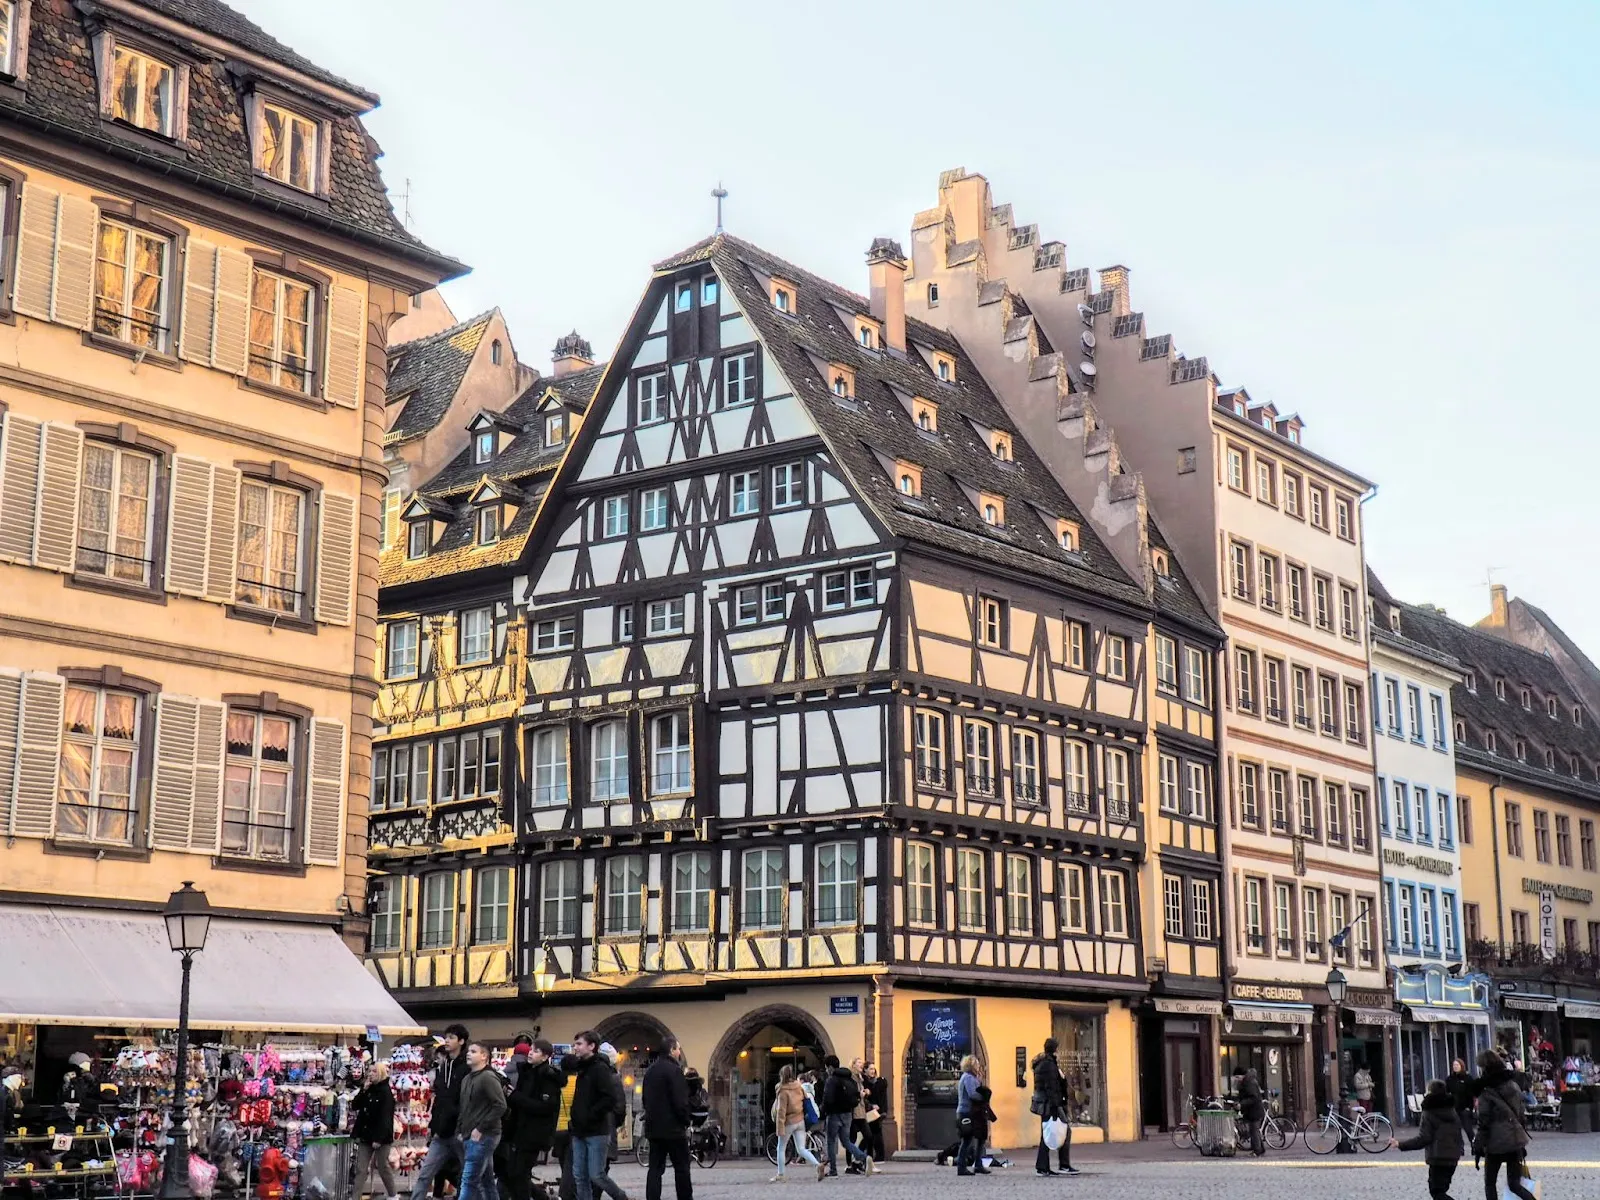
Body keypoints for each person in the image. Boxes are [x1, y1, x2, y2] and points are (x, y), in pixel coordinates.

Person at [563, 1031, 627, 1200]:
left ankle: (621, 1197)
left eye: (579, 1044)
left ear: (591, 1046)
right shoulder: (582, 1068)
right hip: (578, 1130)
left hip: (596, 1131)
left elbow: (609, 1098)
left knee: (596, 1174)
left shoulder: (600, 1068)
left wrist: (590, 1115)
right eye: (575, 1044)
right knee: (579, 1176)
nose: (575, 1047)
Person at [410, 1025, 471, 1200]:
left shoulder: (466, 1067)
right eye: (446, 1037)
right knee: (425, 1173)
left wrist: (461, 1124)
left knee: (468, 1175)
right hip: (441, 1132)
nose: (447, 1041)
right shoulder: (444, 1067)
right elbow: (439, 1098)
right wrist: (433, 1124)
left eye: (451, 1037)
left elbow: (466, 1100)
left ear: (461, 1041)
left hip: (459, 1131)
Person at [505, 1039, 565, 1200]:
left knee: (519, 1173)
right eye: (531, 1049)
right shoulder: (526, 1072)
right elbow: (519, 1101)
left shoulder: (548, 1078)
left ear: (545, 1057)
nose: (531, 1052)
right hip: (519, 1129)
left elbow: (544, 1107)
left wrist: (515, 1096)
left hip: (535, 1132)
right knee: (514, 1173)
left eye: (536, 1051)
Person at [1473, 1051, 1536, 1200]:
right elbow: (1521, 1113)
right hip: (1514, 1139)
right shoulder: (1513, 1084)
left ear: (1484, 1068)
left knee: (1490, 1183)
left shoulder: (1486, 1090)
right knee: (1515, 1184)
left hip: (1496, 1143)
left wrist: (1478, 1146)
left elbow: (1484, 1122)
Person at [642, 1038, 693, 1200]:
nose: (679, 1052)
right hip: (673, 1129)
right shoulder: (674, 1070)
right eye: (678, 1049)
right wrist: (686, 1120)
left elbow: (645, 1099)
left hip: (654, 1128)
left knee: (655, 1169)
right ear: (671, 1050)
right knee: (682, 1167)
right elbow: (680, 1101)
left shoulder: (650, 1071)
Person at [1394, 1080, 1462, 1200]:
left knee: (1437, 1192)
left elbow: (1424, 1138)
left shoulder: (1429, 1111)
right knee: (1441, 1190)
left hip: (1438, 1157)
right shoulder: (1451, 1109)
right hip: (1452, 1156)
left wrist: (1401, 1144)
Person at [458, 1042, 508, 1200]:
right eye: (468, 1051)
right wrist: (460, 1129)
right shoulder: (467, 1078)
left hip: (485, 1134)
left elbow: (500, 1105)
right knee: (486, 1181)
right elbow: (464, 1107)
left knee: (468, 1180)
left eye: (473, 1051)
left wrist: (480, 1128)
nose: (468, 1054)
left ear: (484, 1056)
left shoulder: (488, 1077)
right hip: (469, 1134)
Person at [352, 1061, 400, 1200]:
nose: (370, 1074)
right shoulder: (369, 1089)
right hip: (366, 1134)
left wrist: (379, 1139)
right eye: (369, 1071)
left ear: (380, 1073)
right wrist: (363, 1090)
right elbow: (355, 1105)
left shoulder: (385, 1092)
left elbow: (386, 1117)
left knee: (383, 1166)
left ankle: (393, 1195)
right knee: (361, 1169)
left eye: (374, 1071)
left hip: (381, 1137)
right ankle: (355, 1197)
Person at [820, 1056, 873, 1176]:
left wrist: (823, 1111)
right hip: (848, 1114)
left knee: (831, 1141)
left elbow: (828, 1099)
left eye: (826, 1067)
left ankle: (833, 1170)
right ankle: (864, 1158)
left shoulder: (831, 1080)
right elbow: (856, 1095)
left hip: (834, 1115)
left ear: (830, 1067)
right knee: (846, 1141)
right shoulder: (849, 1078)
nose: (826, 1070)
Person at [1032, 1039, 1079, 1175]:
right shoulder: (1049, 1065)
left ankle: (1043, 1166)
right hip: (1052, 1104)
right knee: (1065, 1131)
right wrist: (1056, 1105)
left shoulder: (1045, 1063)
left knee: (1047, 1133)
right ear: (1055, 1049)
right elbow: (1051, 1087)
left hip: (1048, 1103)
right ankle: (1062, 1165)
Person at [771, 1065, 823, 1183]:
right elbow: (806, 1100)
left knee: (781, 1148)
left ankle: (781, 1174)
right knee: (801, 1149)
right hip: (800, 1121)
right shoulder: (799, 1086)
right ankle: (817, 1164)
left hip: (789, 1122)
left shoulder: (783, 1091)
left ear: (781, 1076)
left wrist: (779, 1128)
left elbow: (781, 1111)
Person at [954, 1056, 989, 1177]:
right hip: (966, 1112)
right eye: (977, 1064)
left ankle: (978, 1164)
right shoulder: (968, 1078)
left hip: (971, 1112)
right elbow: (973, 1094)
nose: (978, 1066)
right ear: (972, 1065)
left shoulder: (971, 1077)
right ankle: (961, 1167)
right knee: (967, 1140)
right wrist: (984, 1096)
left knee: (980, 1137)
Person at [1445, 1059, 1476, 1153]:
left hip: (1465, 1107)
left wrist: (1470, 1107)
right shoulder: (1450, 1079)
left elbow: (1472, 1093)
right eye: (1454, 1065)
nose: (1455, 1067)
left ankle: (1474, 1145)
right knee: (1456, 1129)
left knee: (1468, 1128)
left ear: (1461, 1066)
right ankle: (1460, 1148)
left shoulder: (1468, 1078)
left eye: (1457, 1065)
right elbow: (1447, 1092)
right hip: (1454, 1108)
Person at [860, 1064, 888, 1165]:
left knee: (873, 1133)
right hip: (869, 1111)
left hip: (877, 1112)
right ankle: (870, 1155)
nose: (872, 1071)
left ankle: (865, 1154)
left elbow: (882, 1090)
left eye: (873, 1069)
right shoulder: (864, 1082)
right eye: (870, 1069)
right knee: (871, 1133)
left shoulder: (878, 1082)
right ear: (865, 1070)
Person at [1236, 1068, 1266, 1158]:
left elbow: (1253, 1098)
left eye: (1238, 1077)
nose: (1237, 1079)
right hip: (1253, 1111)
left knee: (1254, 1131)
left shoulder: (1249, 1083)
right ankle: (1260, 1149)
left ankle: (1257, 1151)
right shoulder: (1248, 1082)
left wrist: (1241, 1104)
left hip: (1254, 1111)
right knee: (1254, 1131)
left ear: (1243, 1075)